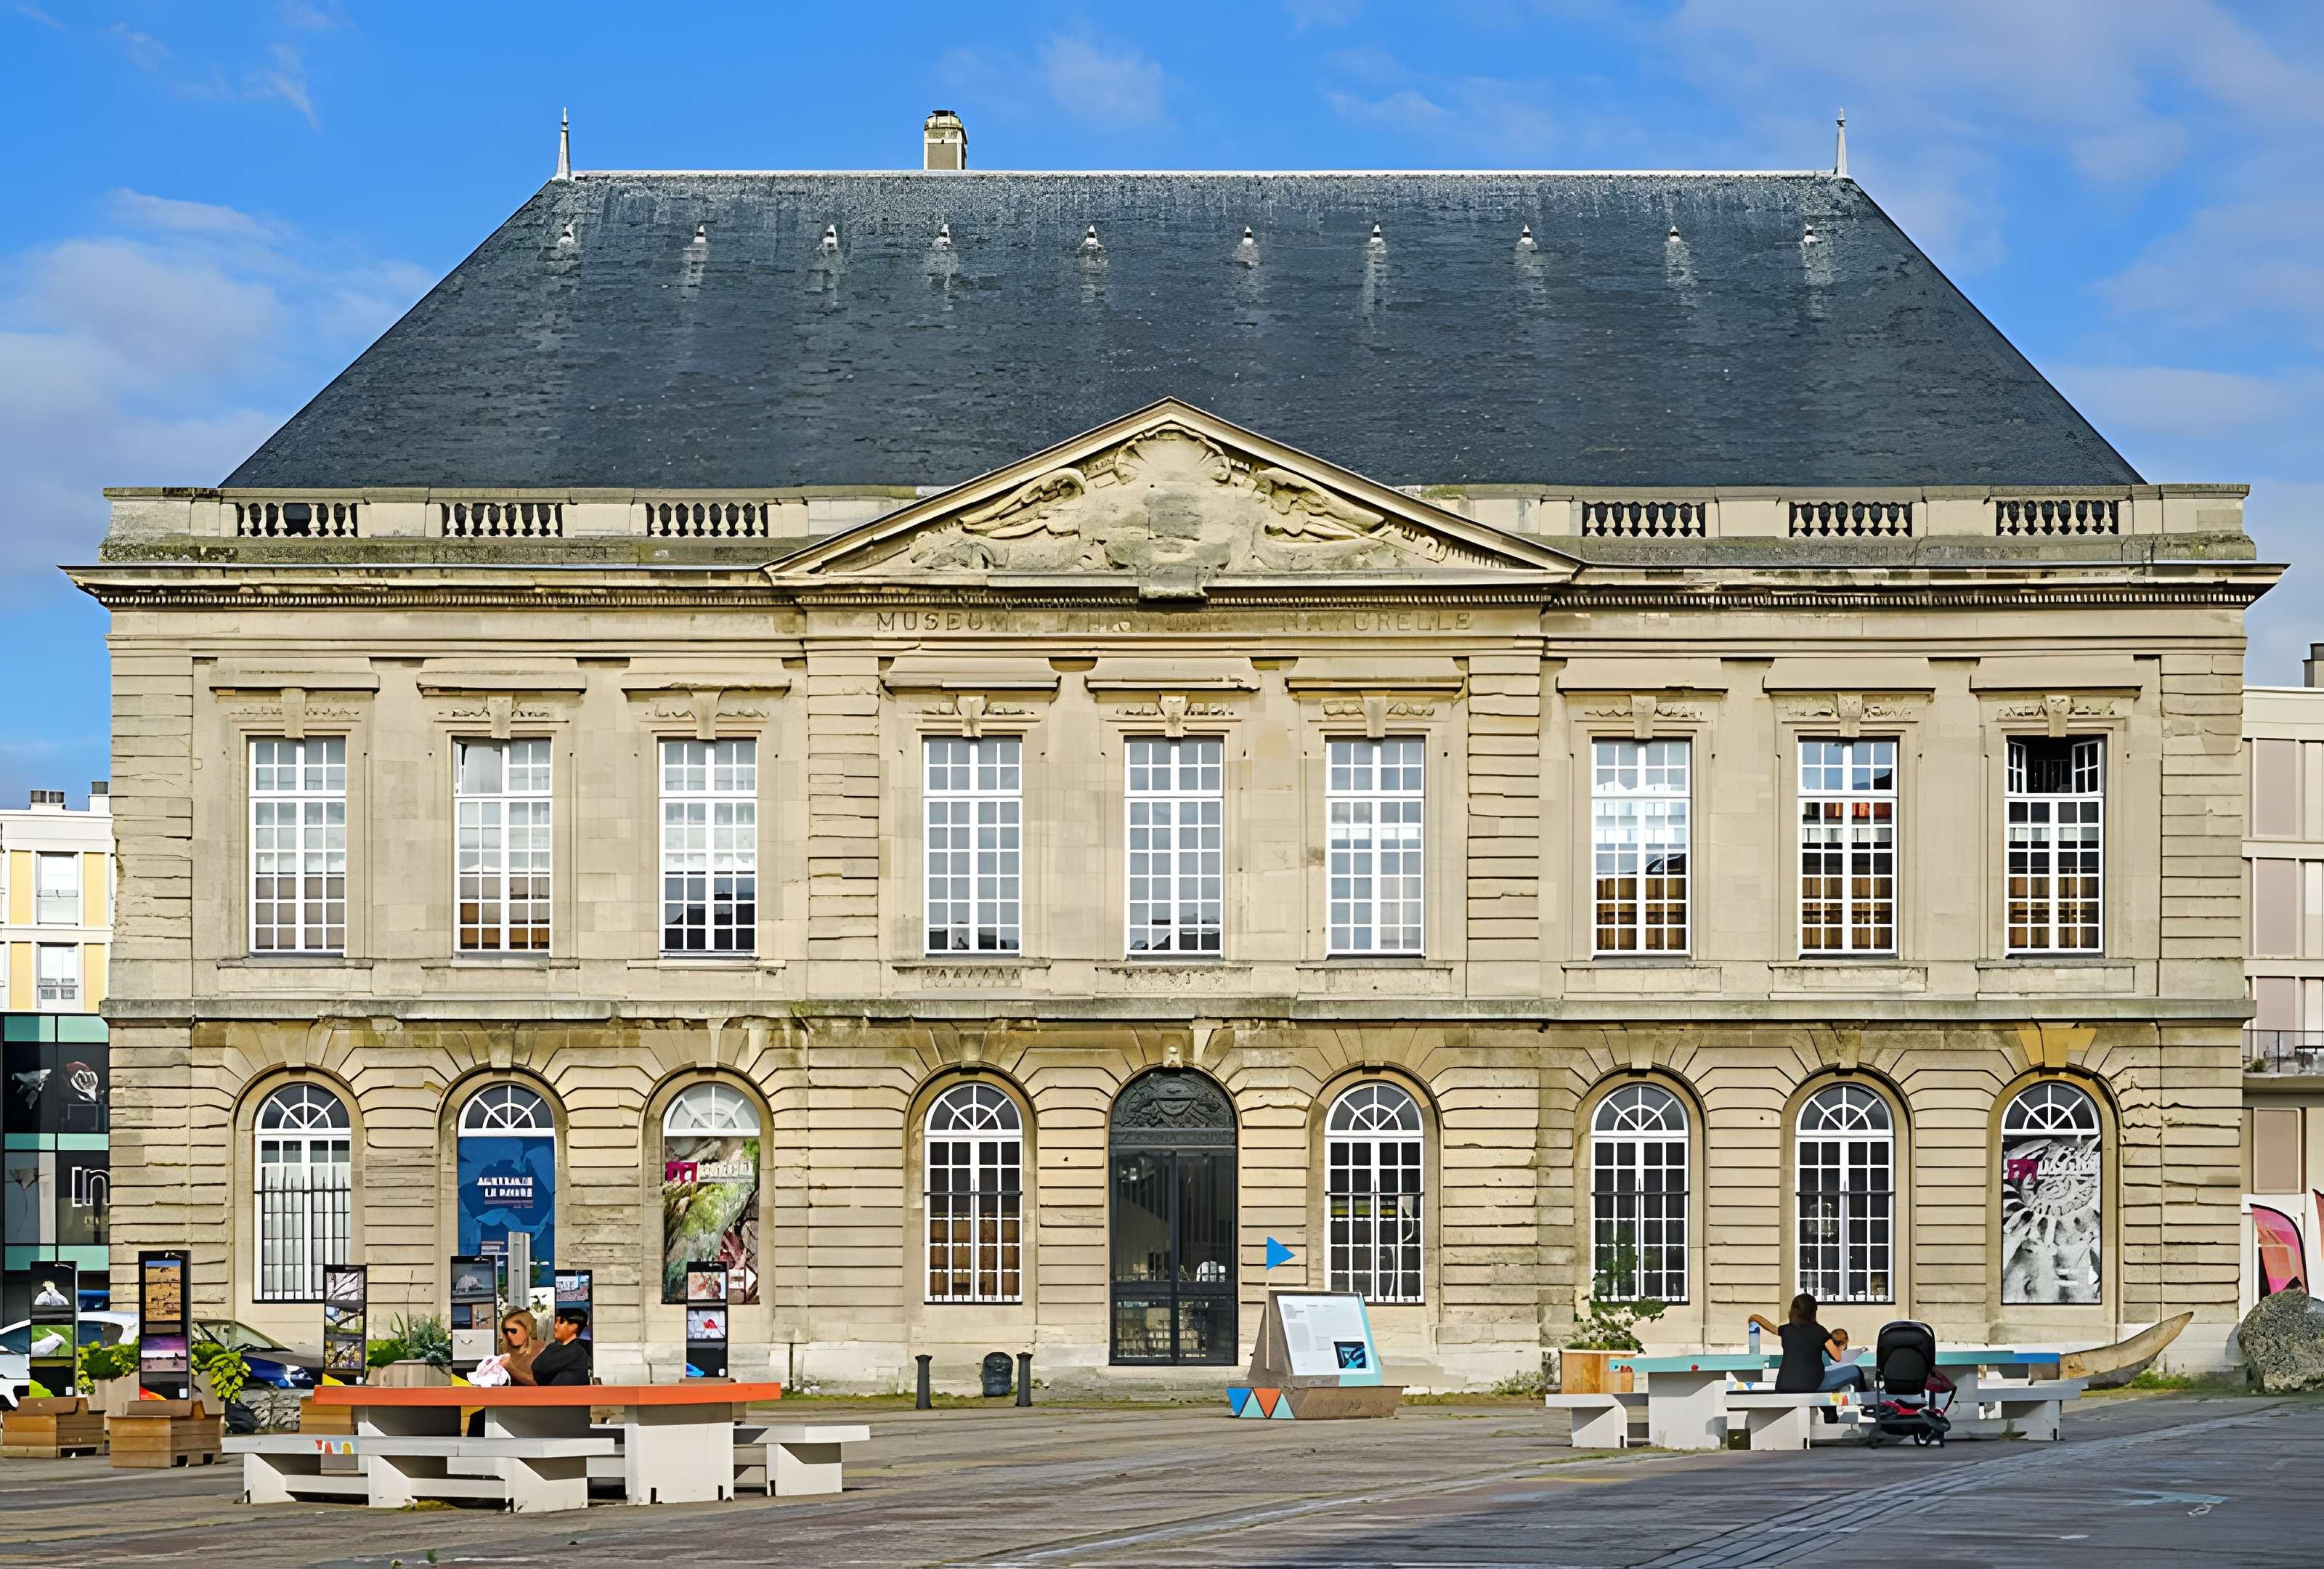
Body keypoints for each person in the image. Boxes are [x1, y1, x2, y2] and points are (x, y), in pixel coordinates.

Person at [1749, 1293, 1865, 1415]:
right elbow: (1837, 1357)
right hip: (1811, 1387)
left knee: (1823, 1379)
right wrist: (1843, 1344)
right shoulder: (1820, 1332)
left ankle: (1829, 1412)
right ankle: (1866, 1407)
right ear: (1814, 1313)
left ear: (1793, 1312)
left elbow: (1772, 1328)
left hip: (1783, 1387)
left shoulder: (1786, 1330)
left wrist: (1754, 1317)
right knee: (1856, 1371)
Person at [528, 1306, 593, 1386]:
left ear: (574, 1326)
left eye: (561, 1322)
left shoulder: (576, 1351)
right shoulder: (554, 1347)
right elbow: (536, 1367)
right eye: (556, 1322)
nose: (556, 1326)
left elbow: (539, 1368)